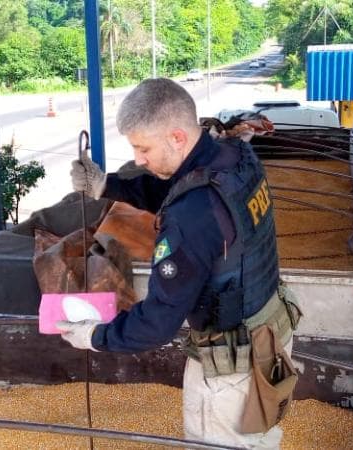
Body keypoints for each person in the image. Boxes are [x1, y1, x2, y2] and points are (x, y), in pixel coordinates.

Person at [59, 78, 300, 449]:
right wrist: (106, 185)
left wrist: (94, 336)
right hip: (272, 331)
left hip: (231, 370)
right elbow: (177, 191)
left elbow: (157, 322)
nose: (138, 159)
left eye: (143, 148)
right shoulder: (235, 158)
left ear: (176, 137)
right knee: (261, 439)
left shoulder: (191, 219)